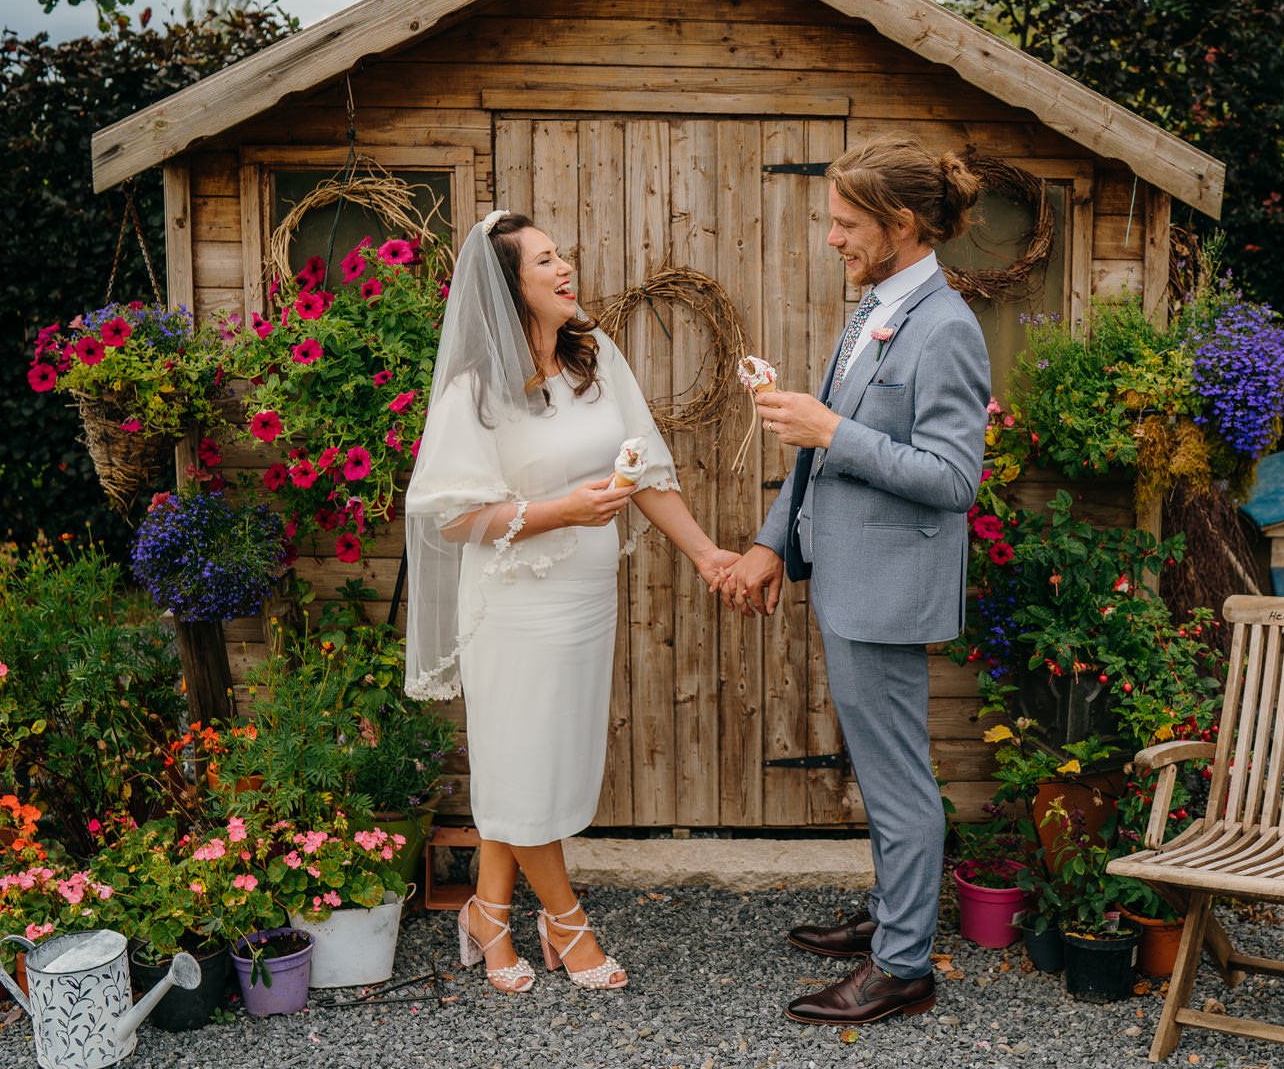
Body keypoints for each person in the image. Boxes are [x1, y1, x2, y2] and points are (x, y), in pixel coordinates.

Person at [405, 210, 738, 994]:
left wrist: (706, 554)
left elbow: (646, 468)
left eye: (564, 255)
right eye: (546, 261)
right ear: (508, 285)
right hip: (517, 607)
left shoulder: (595, 357)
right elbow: (451, 517)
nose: (566, 269)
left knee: (536, 763)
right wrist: (560, 511)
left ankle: (487, 911)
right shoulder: (474, 388)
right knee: (524, 764)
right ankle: (565, 921)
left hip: (586, 601)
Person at [721, 136, 991, 1025]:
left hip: (886, 586)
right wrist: (771, 542)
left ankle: (903, 965)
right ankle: (890, 917)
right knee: (881, 769)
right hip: (845, 573)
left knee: (897, 777)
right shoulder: (879, 305)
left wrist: (833, 428)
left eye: (846, 223)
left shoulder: (946, 325)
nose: (831, 237)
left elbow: (954, 479)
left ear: (901, 225)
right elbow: (821, 448)